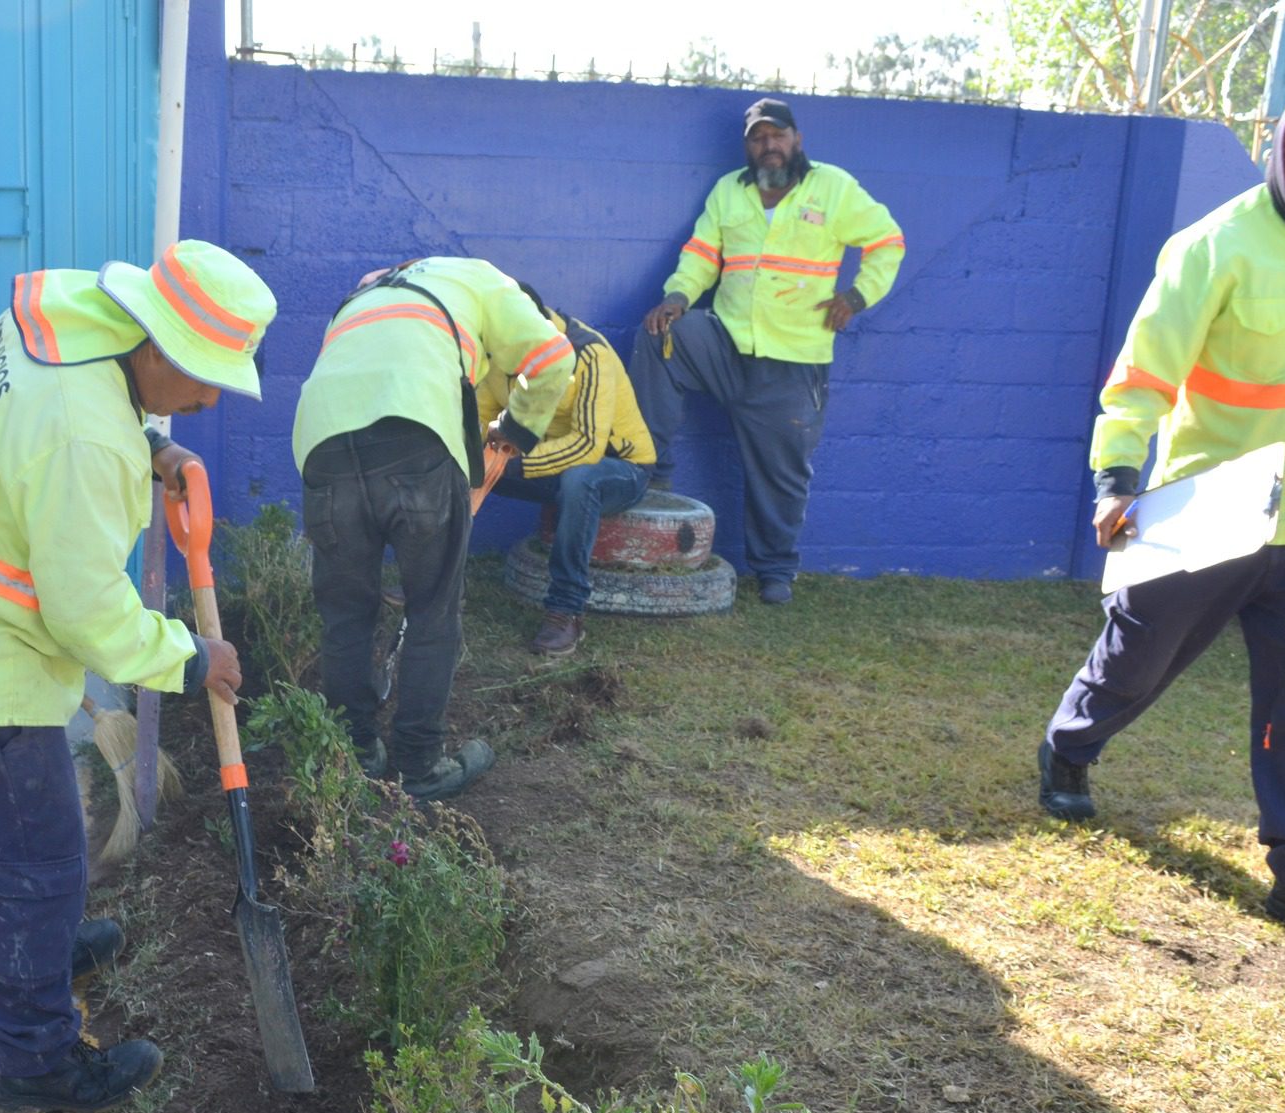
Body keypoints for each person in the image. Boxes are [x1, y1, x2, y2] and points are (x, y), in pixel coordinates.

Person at [0, 241, 269, 1113]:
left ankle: (37, 946)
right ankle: (38, 1062)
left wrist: (154, 442)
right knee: (34, 858)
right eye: (203, 380)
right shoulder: (84, 437)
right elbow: (85, 612)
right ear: (156, 348)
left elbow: (86, 411)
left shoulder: (67, 317)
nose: (207, 401)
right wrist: (193, 657)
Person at [1037, 73, 1285, 969]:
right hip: (1216, 512)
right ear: (1281, 144)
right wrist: (1116, 478)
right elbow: (1142, 374)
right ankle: (1069, 749)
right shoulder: (1215, 245)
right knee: (1138, 658)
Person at [294, 257, 576, 796]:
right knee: (432, 610)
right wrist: (515, 427)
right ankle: (419, 767)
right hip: (415, 438)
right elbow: (552, 356)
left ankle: (351, 756)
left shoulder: (377, 290)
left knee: (345, 614)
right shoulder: (494, 281)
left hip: (322, 445)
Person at [631, 97, 905, 606]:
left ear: (796, 139)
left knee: (781, 477)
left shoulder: (833, 187)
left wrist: (857, 295)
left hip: (794, 360)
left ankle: (775, 569)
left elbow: (888, 241)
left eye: (778, 135)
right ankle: (650, 472)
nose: (769, 145)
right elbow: (700, 257)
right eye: (759, 137)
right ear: (748, 146)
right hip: (727, 343)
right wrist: (676, 297)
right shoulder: (729, 192)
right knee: (659, 333)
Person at [477, 284, 657, 656]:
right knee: (460, 466)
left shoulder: (589, 353)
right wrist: (477, 457)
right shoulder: (495, 351)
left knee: (580, 480)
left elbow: (588, 446)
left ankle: (566, 610)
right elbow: (480, 420)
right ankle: (430, 586)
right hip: (544, 463)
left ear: (539, 326)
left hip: (620, 468)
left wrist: (514, 464)